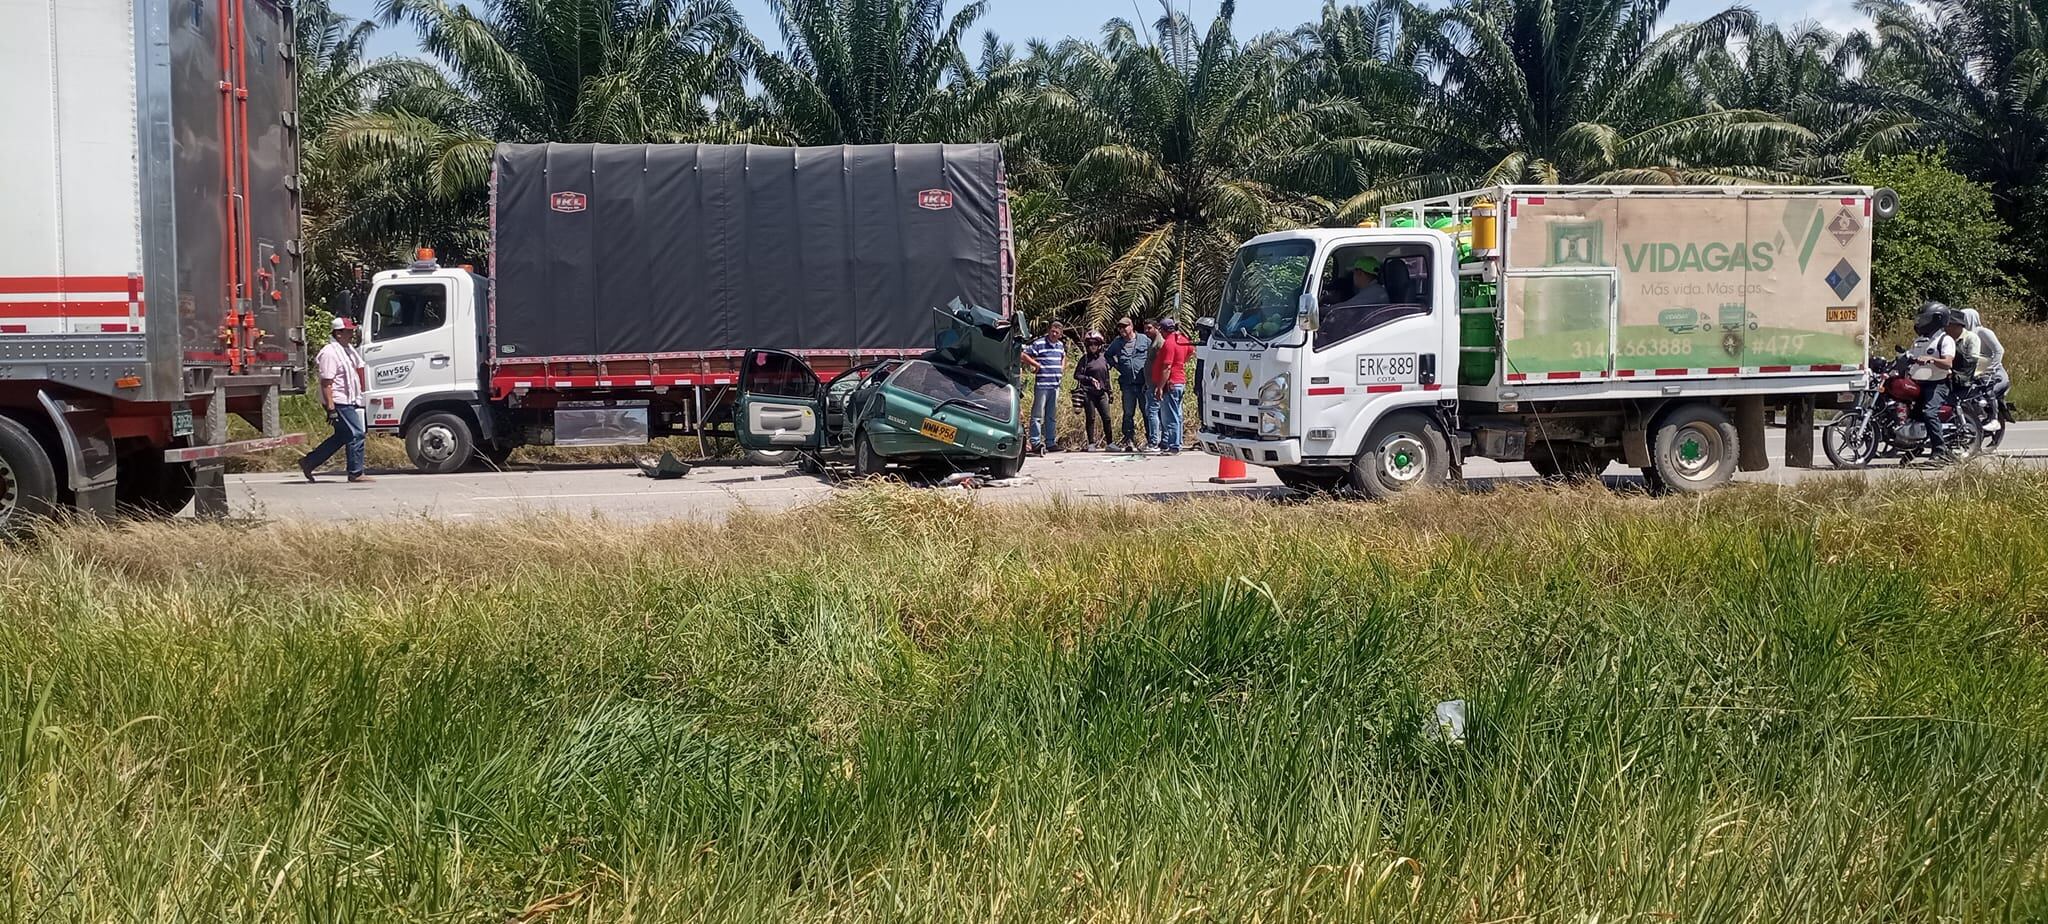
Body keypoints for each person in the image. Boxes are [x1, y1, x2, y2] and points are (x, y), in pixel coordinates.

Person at [300, 317, 373, 483]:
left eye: (352, 331)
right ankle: (355, 473)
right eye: (348, 331)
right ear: (338, 333)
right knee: (356, 434)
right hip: (339, 401)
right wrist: (331, 408)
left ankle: (309, 462)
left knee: (342, 436)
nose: (351, 335)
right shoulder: (330, 353)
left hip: (348, 400)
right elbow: (327, 383)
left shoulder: (347, 351)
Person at [1908, 302, 1959, 464]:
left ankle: (1940, 451)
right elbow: (1909, 358)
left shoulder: (1945, 340)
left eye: (1924, 319)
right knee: (1912, 416)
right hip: (1919, 382)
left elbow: (1948, 363)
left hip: (1938, 384)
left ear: (1936, 319)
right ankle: (1913, 448)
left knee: (1929, 413)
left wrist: (1931, 359)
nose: (1919, 323)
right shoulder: (1919, 341)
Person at [1148, 317, 1195, 454]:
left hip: (1171, 383)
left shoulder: (1169, 344)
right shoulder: (1182, 339)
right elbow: (1191, 350)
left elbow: (1166, 367)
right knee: (1177, 414)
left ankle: (1174, 446)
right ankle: (1177, 443)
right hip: (1180, 382)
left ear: (1162, 330)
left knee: (1170, 416)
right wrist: (1180, 363)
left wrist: (1160, 387)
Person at [1106, 316, 1153, 451]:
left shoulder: (1144, 340)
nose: (1122, 330)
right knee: (1128, 413)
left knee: (1146, 411)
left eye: (1125, 326)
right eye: (1120, 327)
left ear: (1131, 327)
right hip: (1127, 384)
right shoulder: (1117, 342)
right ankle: (1128, 439)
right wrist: (1116, 365)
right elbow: (1108, 355)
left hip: (1143, 383)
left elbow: (1154, 353)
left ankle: (1151, 439)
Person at [1020, 320, 1066, 454]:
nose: (1054, 333)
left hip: (1055, 385)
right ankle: (1035, 442)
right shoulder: (1039, 343)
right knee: (1037, 415)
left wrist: (1062, 368)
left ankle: (1050, 442)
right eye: (1052, 331)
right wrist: (1036, 365)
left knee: (1051, 415)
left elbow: (1063, 356)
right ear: (1049, 330)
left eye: (1057, 332)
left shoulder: (1060, 345)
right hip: (1042, 385)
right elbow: (1023, 354)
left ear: (1060, 334)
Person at [1962, 308, 2011, 429]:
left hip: (1995, 373)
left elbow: (1999, 350)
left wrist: (1991, 368)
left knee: (1989, 390)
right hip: (1977, 373)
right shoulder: (1964, 336)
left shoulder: (1982, 332)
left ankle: (1994, 420)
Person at [1074, 331, 1114, 451]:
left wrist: (1110, 391)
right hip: (1088, 393)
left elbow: (1107, 376)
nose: (1093, 346)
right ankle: (1091, 443)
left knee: (1106, 418)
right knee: (1090, 418)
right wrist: (1089, 379)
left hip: (1102, 393)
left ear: (1099, 344)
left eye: (1095, 343)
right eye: (1090, 344)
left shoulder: (1104, 358)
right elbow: (1077, 375)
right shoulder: (1084, 359)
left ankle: (1110, 443)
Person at [1323, 255, 1389, 307]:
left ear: (1360, 273)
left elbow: (1344, 307)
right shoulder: (1374, 290)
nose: (1352, 277)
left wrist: (1321, 310)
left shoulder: (1374, 292)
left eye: (1353, 273)